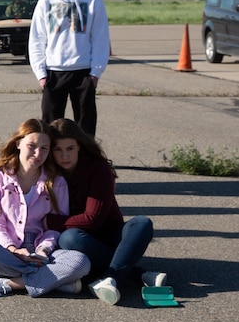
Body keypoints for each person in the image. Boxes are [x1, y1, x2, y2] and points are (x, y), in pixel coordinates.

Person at [0, 119, 90, 298]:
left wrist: (43, 250)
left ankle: (8, 283)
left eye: (44, 148)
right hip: (8, 250)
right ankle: (53, 281)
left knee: (81, 262)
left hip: (43, 253)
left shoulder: (57, 182)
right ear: (18, 143)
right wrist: (13, 250)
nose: (37, 153)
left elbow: (55, 227)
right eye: (31, 146)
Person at [48, 118, 167, 305]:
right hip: (80, 242)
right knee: (70, 238)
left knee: (142, 223)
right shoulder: (48, 171)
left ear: (79, 146)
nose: (65, 156)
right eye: (58, 150)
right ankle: (136, 274)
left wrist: (49, 221)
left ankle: (112, 277)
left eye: (70, 148)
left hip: (109, 235)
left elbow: (92, 219)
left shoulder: (98, 169)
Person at [28, 0, 110, 136]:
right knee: (49, 126)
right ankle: (50, 163)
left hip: (83, 72)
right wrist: (41, 74)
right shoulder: (45, 1)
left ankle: (86, 162)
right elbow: (36, 40)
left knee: (85, 125)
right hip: (53, 72)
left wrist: (95, 73)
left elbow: (100, 39)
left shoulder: (93, 0)